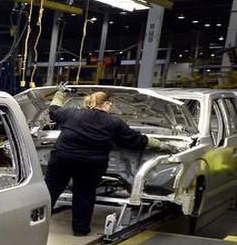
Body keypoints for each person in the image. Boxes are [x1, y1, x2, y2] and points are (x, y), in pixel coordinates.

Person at [44, 88, 180, 236]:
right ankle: (80, 231)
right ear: (107, 104)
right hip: (90, 164)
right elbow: (135, 140)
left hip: (62, 158)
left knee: (50, 191)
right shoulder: (113, 122)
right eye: (111, 105)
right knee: (84, 195)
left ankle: (36, 222)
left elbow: (53, 111)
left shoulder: (72, 113)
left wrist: (60, 94)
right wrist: (160, 144)